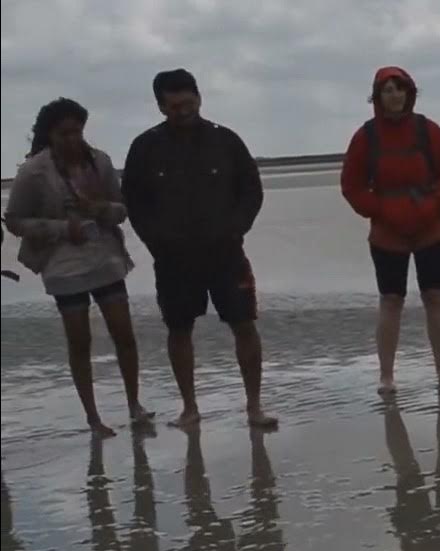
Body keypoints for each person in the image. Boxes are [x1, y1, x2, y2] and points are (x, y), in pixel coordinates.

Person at [121, 69, 276, 428]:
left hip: (226, 255)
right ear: (161, 107)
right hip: (173, 259)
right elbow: (134, 201)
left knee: (244, 325)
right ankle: (189, 408)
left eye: (188, 103)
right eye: (174, 106)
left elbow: (251, 190)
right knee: (179, 329)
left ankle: (254, 406)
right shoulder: (144, 148)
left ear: (199, 98)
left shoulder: (226, 141)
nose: (183, 111)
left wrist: (236, 228)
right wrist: (155, 240)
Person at [3, 98, 153, 437]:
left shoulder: (99, 161)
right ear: (49, 134)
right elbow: (14, 220)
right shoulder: (34, 171)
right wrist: (60, 229)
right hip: (63, 265)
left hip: (105, 257)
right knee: (79, 342)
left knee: (124, 334)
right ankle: (93, 418)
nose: (72, 139)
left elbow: (121, 209)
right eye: (64, 133)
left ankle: (134, 404)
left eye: (78, 131)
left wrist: (98, 208)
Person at [341, 67, 440, 393]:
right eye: (387, 90)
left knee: (434, 296)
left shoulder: (427, 130)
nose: (394, 95)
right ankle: (386, 376)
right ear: (377, 97)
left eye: (399, 89)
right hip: (388, 231)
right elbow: (351, 186)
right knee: (391, 300)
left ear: (409, 93)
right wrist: (379, 210)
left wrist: (438, 204)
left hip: (432, 227)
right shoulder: (365, 137)